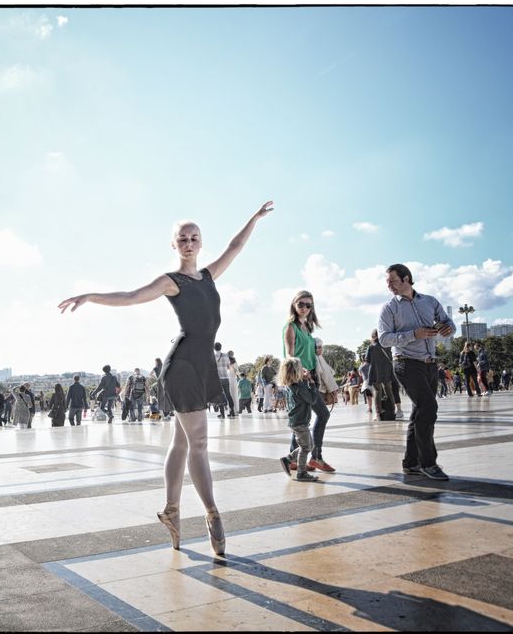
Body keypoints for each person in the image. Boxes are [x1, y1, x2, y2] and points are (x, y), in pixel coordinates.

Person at [59, 199, 274, 557]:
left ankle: (172, 511)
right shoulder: (171, 282)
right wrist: (91, 296)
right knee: (200, 443)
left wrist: (253, 218)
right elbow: (130, 296)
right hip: (184, 365)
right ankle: (212, 514)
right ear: (174, 245)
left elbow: (235, 247)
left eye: (195, 238)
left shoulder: (208, 276)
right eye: (183, 239)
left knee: (182, 441)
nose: (189, 243)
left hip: (202, 363)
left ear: (200, 242)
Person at [377, 263, 456, 481]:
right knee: (429, 407)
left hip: (430, 363)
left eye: (392, 280)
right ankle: (427, 463)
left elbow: (448, 323)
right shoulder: (389, 308)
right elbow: (384, 338)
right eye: (387, 282)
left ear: (406, 278)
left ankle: (410, 462)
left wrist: (448, 328)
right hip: (405, 363)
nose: (389, 285)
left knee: (420, 411)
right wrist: (414, 334)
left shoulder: (430, 301)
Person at [282, 291, 334, 471]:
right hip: (299, 378)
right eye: (301, 304)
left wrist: (316, 351)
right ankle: (313, 457)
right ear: (294, 305)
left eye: (308, 305)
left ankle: (296, 458)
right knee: (321, 414)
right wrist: (300, 368)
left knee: (302, 420)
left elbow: (307, 350)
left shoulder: (308, 328)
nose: (304, 308)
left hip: (312, 377)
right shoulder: (291, 326)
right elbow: (290, 353)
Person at [276, 357, 320, 482]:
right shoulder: (300, 387)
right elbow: (312, 399)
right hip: (300, 422)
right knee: (306, 447)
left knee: (307, 445)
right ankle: (301, 473)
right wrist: (311, 383)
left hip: (296, 421)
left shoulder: (291, 386)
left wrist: (305, 381)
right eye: (301, 368)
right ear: (296, 371)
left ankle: (288, 459)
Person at [366, 329, 395, 420]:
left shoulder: (371, 347)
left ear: (373, 337)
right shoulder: (388, 346)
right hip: (387, 371)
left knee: (377, 392)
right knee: (389, 391)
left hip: (376, 372)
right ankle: (392, 411)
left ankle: (378, 414)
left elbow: (367, 360)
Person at [313, 338, 341, 409]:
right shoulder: (317, 358)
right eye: (319, 347)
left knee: (322, 414)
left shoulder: (317, 357)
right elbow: (326, 375)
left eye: (321, 347)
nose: (321, 349)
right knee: (323, 414)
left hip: (319, 389)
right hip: (320, 390)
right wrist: (333, 390)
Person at [213, 343, 234, 418]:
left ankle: (222, 414)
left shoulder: (213, 356)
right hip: (226, 378)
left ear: (214, 348)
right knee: (228, 394)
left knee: (219, 396)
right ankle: (232, 411)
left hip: (218, 379)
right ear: (220, 348)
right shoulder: (225, 355)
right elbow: (228, 367)